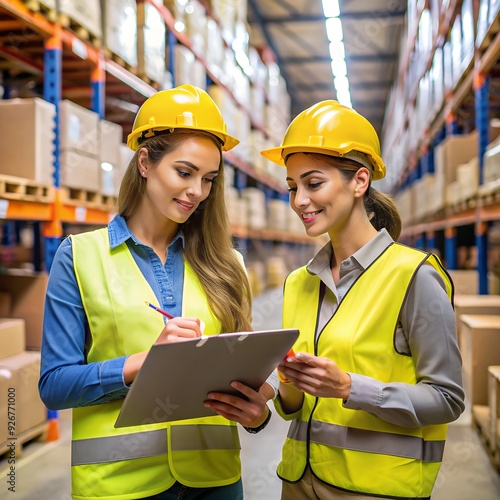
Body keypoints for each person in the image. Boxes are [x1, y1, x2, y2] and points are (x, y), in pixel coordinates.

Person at [38, 84, 275, 500]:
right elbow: (55, 385)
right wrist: (140, 365)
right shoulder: (79, 256)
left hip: (215, 482)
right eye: (184, 173)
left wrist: (257, 415)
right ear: (145, 162)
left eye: (209, 180)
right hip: (119, 485)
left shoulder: (228, 265)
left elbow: (243, 381)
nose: (197, 192)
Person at [259, 100, 466, 499]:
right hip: (297, 484)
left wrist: (350, 387)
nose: (299, 200)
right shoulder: (299, 283)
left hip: (374, 490)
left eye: (313, 183)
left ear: (359, 181)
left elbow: (447, 398)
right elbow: (296, 407)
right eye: (292, 187)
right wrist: (283, 385)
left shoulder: (413, 276)